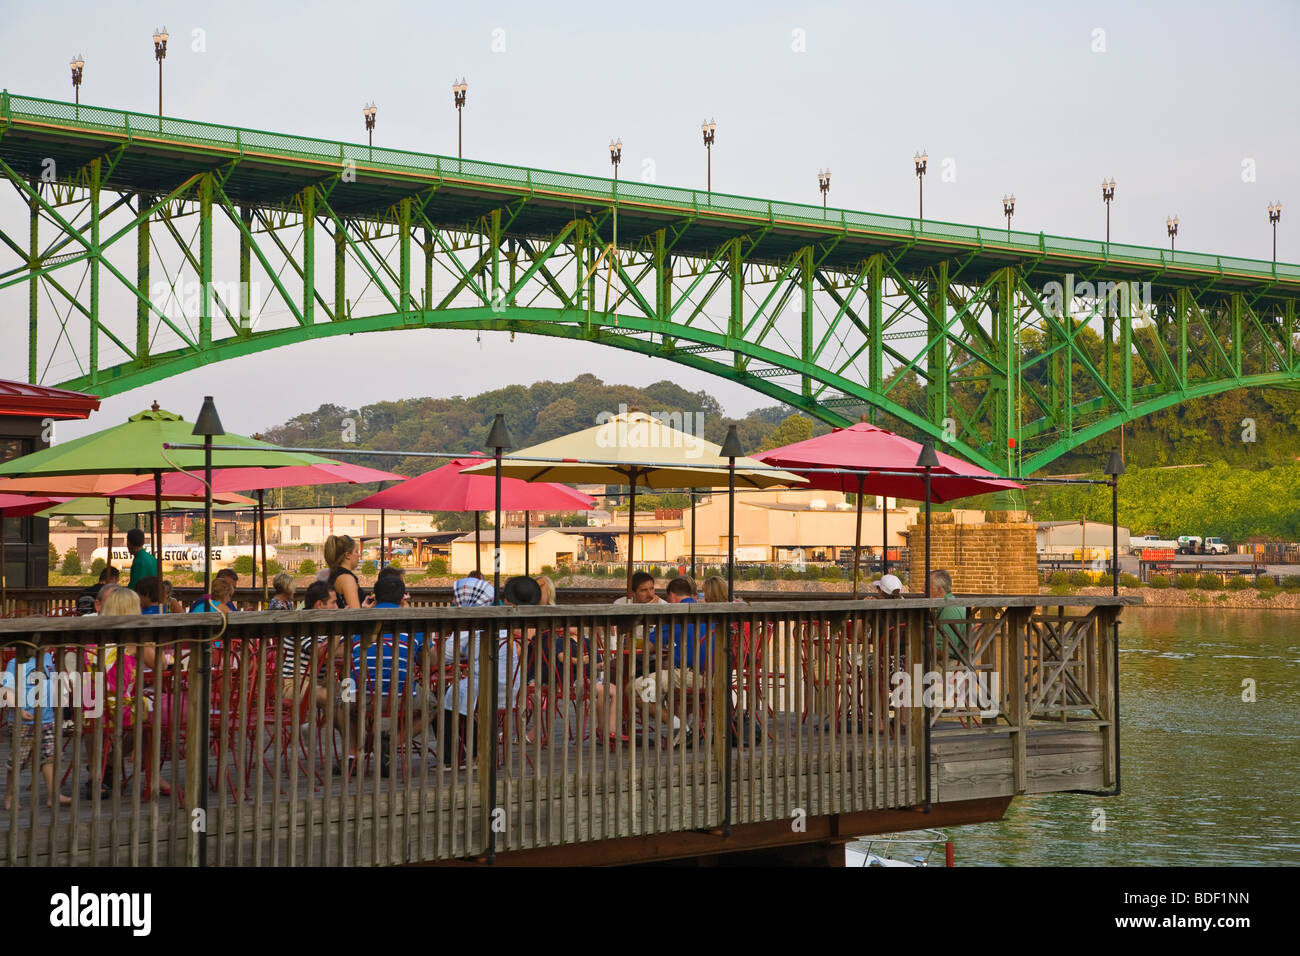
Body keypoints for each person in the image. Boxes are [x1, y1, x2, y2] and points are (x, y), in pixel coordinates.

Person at [337, 575, 422, 777]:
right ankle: (390, 741)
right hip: (401, 698)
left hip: (361, 697)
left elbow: (338, 652)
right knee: (432, 703)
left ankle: (353, 754)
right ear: (403, 598)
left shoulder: (360, 621)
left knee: (343, 697)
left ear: (374, 596)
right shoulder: (413, 624)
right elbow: (432, 660)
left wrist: (361, 613)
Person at [634, 576, 706, 749]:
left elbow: (649, 646)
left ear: (672, 596)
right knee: (664, 681)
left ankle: (681, 727)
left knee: (636, 689)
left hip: (688, 675)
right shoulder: (706, 608)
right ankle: (685, 728)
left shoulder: (674, 614)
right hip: (712, 675)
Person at [594, 571, 666, 743]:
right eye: (644, 590)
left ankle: (629, 719)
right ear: (633, 593)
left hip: (654, 658)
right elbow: (615, 633)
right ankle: (611, 727)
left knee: (634, 678)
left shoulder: (663, 605)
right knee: (610, 676)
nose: (650, 594)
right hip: (626, 656)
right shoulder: (621, 603)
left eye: (652, 589)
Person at [2, 643, 72, 810]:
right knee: (18, 760)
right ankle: (9, 797)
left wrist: (59, 698)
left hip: (46, 718)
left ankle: (53, 795)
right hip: (25, 721)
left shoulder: (47, 658)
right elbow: (7, 690)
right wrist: (18, 710)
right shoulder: (16, 663)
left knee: (49, 757)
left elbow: (53, 681)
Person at [440, 575, 496, 766]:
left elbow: (442, 656)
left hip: (482, 686)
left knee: (444, 699)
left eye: (456, 597)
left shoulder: (468, 625)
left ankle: (453, 757)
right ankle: (480, 749)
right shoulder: (496, 618)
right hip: (507, 687)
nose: (454, 601)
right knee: (456, 694)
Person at [928, 569, 967, 655]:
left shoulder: (949, 611)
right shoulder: (952, 604)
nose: (922, 589)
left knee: (916, 663)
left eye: (927, 586)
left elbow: (944, 652)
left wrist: (919, 648)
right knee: (914, 662)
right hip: (960, 662)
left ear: (938, 590)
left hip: (952, 665)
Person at [325, 534, 368, 609]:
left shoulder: (335, 574)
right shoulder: (347, 579)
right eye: (356, 552)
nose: (359, 555)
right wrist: (365, 609)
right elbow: (355, 613)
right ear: (348, 555)